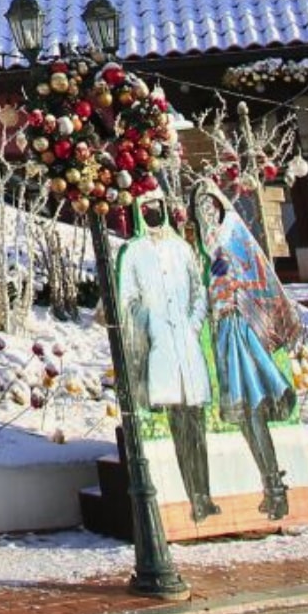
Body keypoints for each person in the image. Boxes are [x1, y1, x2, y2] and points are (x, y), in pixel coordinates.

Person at [193, 181, 298, 521]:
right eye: (201, 213)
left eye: (210, 212)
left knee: (252, 408)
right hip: (224, 331)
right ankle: (272, 484)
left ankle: (273, 484)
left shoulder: (231, 243)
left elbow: (253, 280)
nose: (206, 219)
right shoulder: (208, 251)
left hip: (239, 331)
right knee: (249, 413)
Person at [117, 191, 218, 521]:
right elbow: (128, 299)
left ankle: (204, 494)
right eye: (147, 209)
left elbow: (198, 290)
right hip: (161, 347)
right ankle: (192, 496)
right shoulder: (133, 253)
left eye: (157, 209)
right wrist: (152, 322)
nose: (154, 214)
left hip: (187, 343)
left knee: (197, 425)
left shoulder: (182, 248)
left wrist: (193, 322)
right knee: (179, 426)